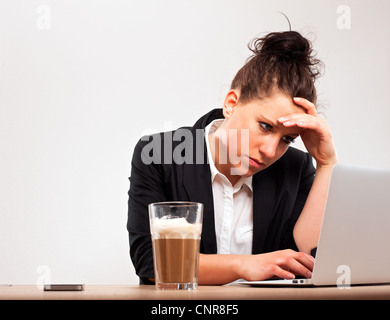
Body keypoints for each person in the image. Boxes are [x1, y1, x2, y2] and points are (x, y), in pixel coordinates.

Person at [127, 30, 337, 285]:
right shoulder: (160, 154)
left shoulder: (296, 167)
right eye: (266, 126)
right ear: (231, 103)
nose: (271, 151)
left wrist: (326, 165)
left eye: (286, 139)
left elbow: (306, 261)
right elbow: (152, 264)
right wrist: (244, 265)